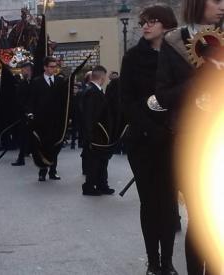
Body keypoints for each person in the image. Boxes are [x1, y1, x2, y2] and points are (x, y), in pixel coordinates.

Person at [150, 0, 224, 274]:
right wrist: (200, 80)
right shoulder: (174, 42)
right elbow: (163, 95)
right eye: (215, 0)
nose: (222, 6)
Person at [120, 5, 179, 275]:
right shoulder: (132, 58)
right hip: (142, 141)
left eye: (152, 21)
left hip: (174, 139)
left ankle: (167, 261)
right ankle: (153, 261)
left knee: (168, 203)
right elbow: (126, 102)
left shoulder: (179, 55)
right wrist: (149, 129)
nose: (145, 26)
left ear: (167, 25)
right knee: (150, 202)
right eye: (143, 22)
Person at [28, 56, 68, 182]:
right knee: (43, 146)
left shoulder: (59, 81)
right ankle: (42, 171)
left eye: (55, 66)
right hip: (42, 121)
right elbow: (32, 100)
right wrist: (30, 113)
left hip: (56, 120)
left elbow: (64, 100)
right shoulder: (36, 82)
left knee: (55, 146)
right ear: (45, 67)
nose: (53, 69)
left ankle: (53, 171)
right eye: (51, 66)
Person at [81, 65, 115, 196]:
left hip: (100, 134)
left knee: (102, 161)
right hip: (96, 135)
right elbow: (89, 116)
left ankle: (102, 185)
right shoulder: (92, 92)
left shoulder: (95, 91)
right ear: (102, 77)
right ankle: (89, 187)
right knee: (94, 162)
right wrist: (89, 137)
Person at [12, 62, 33, 166]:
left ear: (28, 70)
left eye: (23, 69)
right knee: (23, 136)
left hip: (33, 113)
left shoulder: (34, 82)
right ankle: (21, 158)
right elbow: (19, 99)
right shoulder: (23, 82)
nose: (21, 71)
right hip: (24, 114)